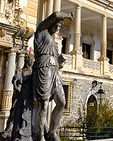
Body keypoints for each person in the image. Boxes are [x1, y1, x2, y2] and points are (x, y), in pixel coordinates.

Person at [32, 11, 73, 141]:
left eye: (60, 27)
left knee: (61, 102)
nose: (57, 29)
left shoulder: (54, 43)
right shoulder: (41, 31)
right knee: (43, 105)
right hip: (43, 70)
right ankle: (40, 136)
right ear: (50, 24)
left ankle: (52, 132)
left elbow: (54, 59)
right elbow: (55, 15)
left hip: (54, 73)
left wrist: (59, 61)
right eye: (57, 25)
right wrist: (66, 16)